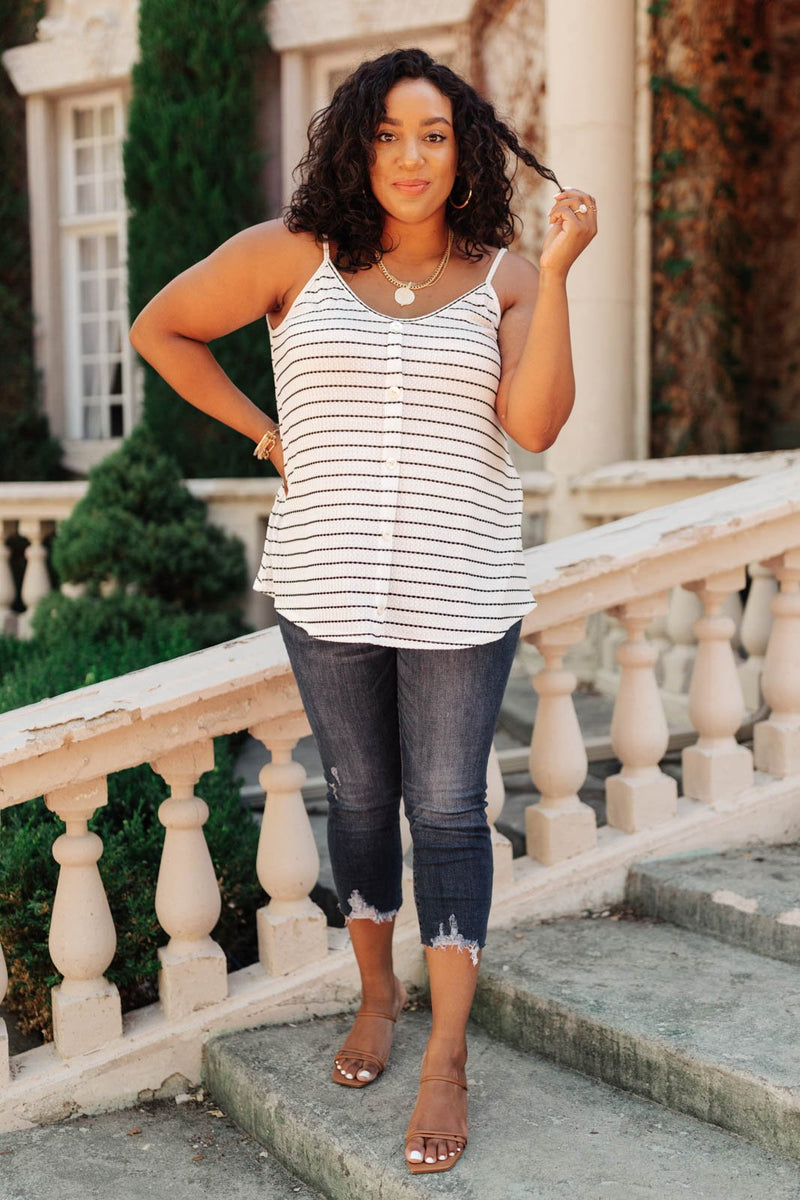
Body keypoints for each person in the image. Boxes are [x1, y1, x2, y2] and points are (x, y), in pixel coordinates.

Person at [130, 46, 596, 1176]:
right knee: (357, 798)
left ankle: (444, 1055)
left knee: (443, 811)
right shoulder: (294, 257)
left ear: (464, 150)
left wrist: (566, 268)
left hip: (459, 588)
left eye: (432, 134)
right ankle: (375, 996)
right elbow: (162, 328)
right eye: (387, 133)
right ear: (355, 142)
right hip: (327, 581)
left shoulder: (506, 277)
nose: (409, 156)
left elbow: (532, 427)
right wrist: (264, 432)